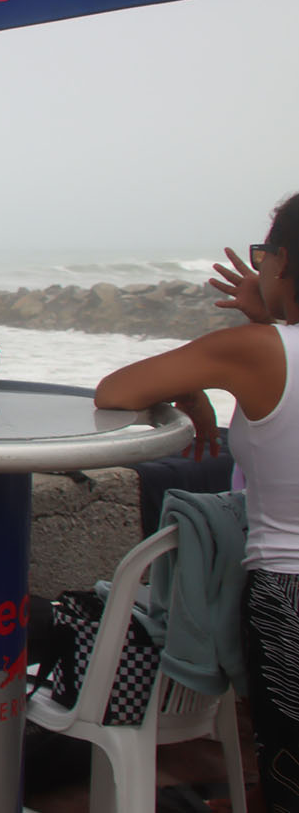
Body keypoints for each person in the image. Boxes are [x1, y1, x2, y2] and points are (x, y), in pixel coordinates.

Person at [95, 192, 299, 812]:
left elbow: (116, 390)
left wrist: (215, 372)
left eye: (263, 255)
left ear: (282, 261)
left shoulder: (256, 351)